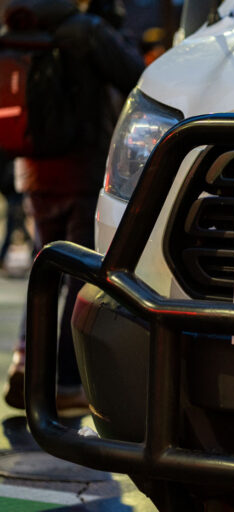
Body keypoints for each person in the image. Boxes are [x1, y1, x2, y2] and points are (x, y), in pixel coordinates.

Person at [2, 0, 144, 411]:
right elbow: (135, 74)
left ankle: (27, 362)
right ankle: (64, 379)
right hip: (81, 168)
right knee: (77, 273)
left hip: (32, 169)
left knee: (42, 267)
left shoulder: (16, 28)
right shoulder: (84, 29)